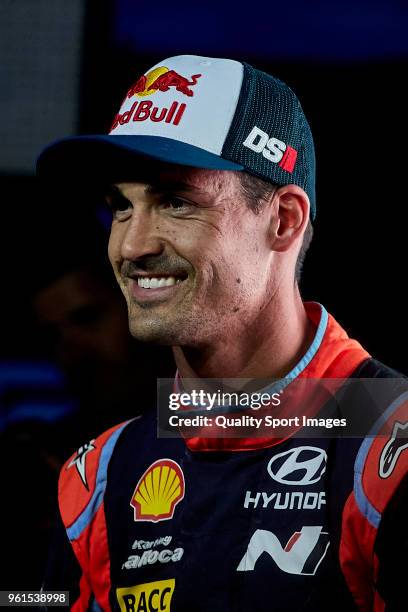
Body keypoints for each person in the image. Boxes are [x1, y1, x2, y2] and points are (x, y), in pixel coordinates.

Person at [37, 55, 407, 611]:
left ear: (283, 220)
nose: (133, 246)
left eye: (175, 202)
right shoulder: (96, 478)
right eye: (120, 206)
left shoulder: (390, 452)